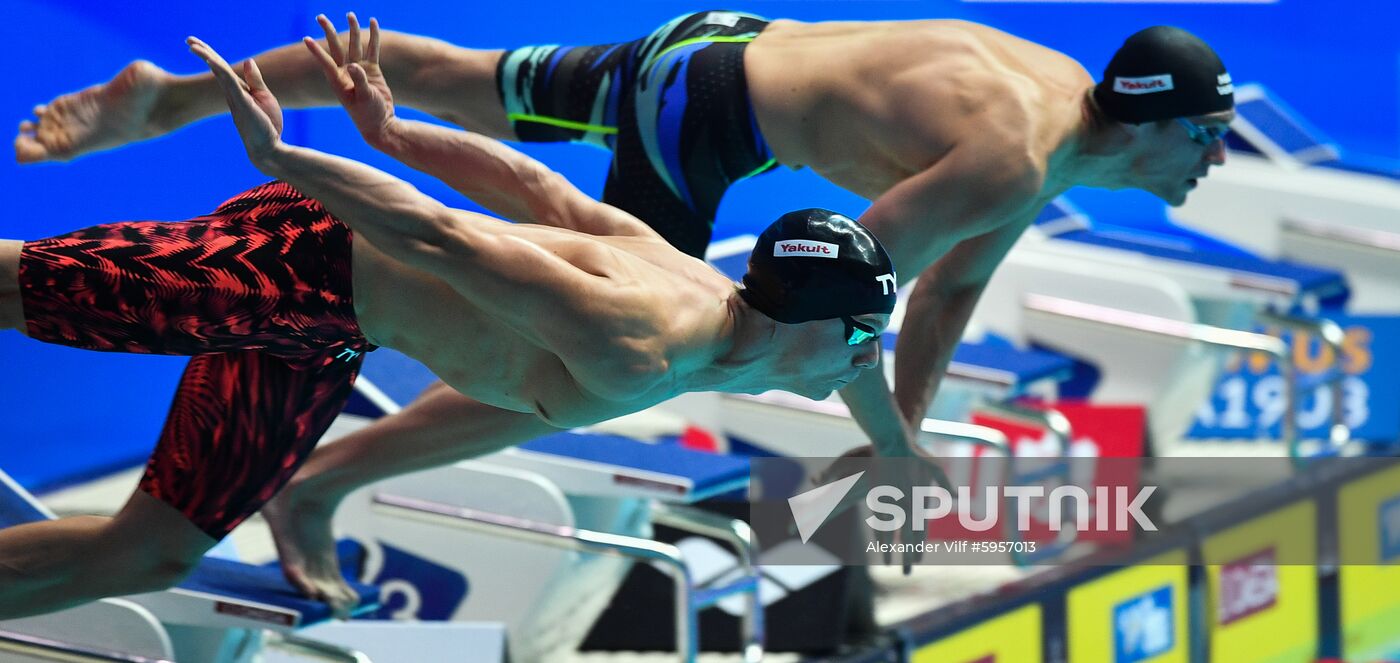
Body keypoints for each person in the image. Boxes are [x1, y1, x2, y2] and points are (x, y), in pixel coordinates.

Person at [15, 11, 1234, 608]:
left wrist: (900, 447)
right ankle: (327, 482)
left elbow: (904, 297)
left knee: (454, 88)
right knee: (578, 369)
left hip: (710, 52)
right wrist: (307, 164)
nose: (1213, 164)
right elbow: (868, 276)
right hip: (690, 133)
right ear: (1159, 126)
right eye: (1209, 141)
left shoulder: (1049, 118)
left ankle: (163, 98)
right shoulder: (1003, 167)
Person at [0, 34, 895, 620]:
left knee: (148, 554)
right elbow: (443, 236)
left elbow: (540, 191)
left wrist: (396, 135)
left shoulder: (739, 309)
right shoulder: (643, 337)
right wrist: (289, 159)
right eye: (864, 335)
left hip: (330, 335)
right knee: (15, 289)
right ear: (812, 321)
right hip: (292, 261)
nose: (868, 356)